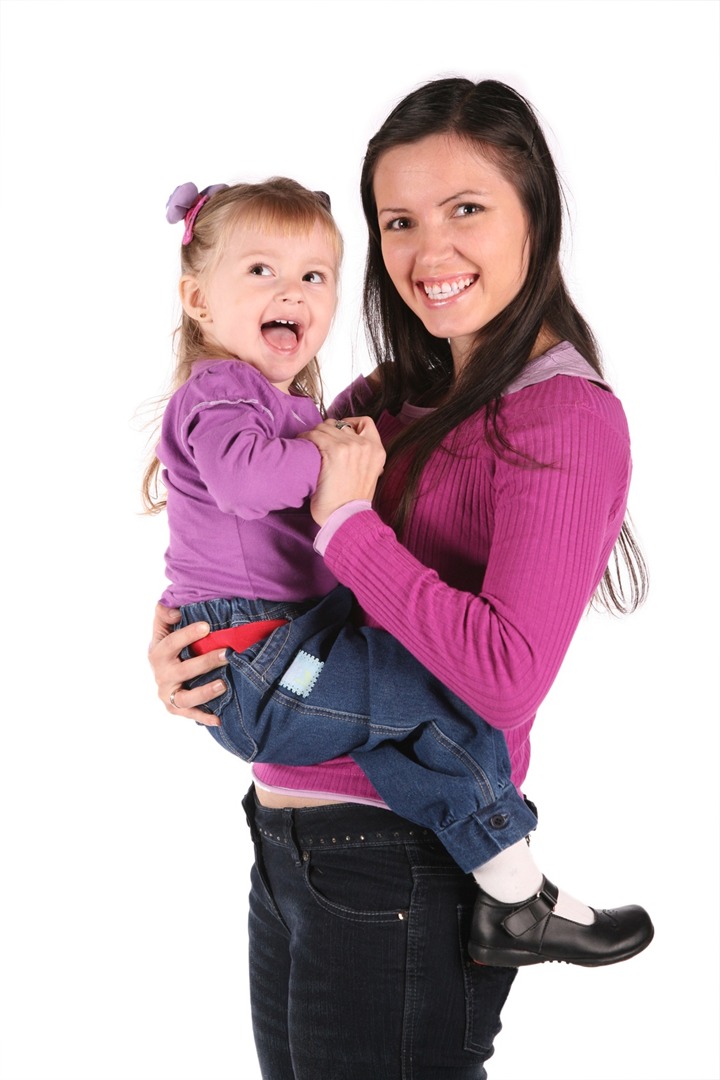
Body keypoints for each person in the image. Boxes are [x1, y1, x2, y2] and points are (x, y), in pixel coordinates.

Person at [148, 80, 653, 1079]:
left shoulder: (565, 416)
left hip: (400, 868)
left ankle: (520, 890)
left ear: (537, 214)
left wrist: (349, 525)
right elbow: (254, 524)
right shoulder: (394, 391)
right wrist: (180, 641)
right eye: (399, 221)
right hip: (285, 845)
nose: (430, 251)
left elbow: (505, 677)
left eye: (466, 208)